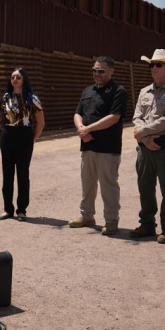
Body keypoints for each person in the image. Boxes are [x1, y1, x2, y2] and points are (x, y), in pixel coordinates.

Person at [129, 49, 165, 244]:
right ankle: (147, 224)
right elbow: (136, 117)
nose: (153, 68)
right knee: (145, 187)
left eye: (158, 64)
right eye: (151, 64)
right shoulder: (144, 91)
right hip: (145, 147)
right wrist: (144, 139)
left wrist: (143, 132)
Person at [69, 56, 128, 235]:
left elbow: (114, 117)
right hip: (87, 146)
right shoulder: (88, 90)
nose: (97, 74)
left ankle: (111, 221)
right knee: (87, 183)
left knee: (108, 185)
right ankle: (87, 216)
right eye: (94, 70)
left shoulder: (118, 91)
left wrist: (88, 129)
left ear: (111, 71)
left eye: (101, 71)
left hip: (108, 148)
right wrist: (81, 128)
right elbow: (78, 113)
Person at [0, 68, 45, 222]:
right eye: (12, 77)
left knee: (23, 174)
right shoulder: (5, 97)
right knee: (7, 174)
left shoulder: (32, 98)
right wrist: (7, 132)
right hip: (8, 135)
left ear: (24, 79)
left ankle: (21, 210)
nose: (15, 79)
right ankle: (7, 209)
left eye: (18, 77)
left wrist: (32, 139)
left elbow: (41, 123)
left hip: (25, 136)